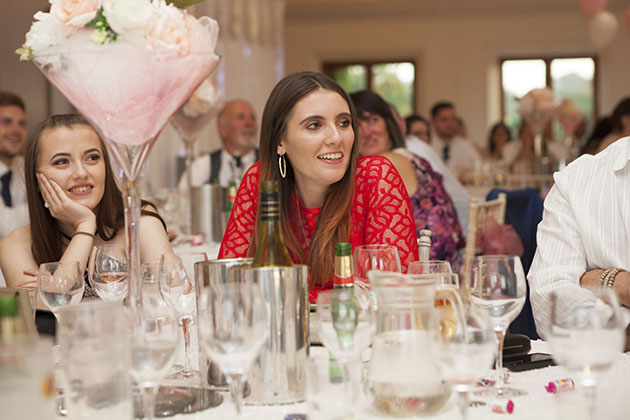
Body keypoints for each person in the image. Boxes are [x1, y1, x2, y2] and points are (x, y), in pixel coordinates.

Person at [218, 72, 418, 299]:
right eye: (314, 125)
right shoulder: (262, 181)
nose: (336, 137)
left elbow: (394, 295)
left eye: (344, 123)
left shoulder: (375, 177)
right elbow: (229, 286)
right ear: (280, 141)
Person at [0, 114, 172, 291]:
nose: (81, 173)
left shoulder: (136, 220)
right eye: (62, 162)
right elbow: (41, 313)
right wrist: (85, 227)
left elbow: (175, 292)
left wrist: (51, 287)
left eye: (92, 158)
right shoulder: (17, 245)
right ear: (36, 180)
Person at [528, 136, 630, 339]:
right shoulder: (577, 181)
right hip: (607, 369)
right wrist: (617, 282)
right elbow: (548, 302)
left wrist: (600, 281)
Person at [350, 90, 465, 262]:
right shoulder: (410, 156)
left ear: (388, 124)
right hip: (450, 265)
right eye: (356, 124)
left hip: (427, 273)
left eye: (373, 120)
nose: (366, 132)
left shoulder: (382, 165)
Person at [404, 114, 470, 231]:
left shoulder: (425, 153)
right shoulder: (412, 151)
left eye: (426, 134)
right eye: (418, 134)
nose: (423, 139)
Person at [178, 99, 258, 188]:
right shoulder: (203, 166)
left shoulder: (270, 163)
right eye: (240, 117)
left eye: (253, 118)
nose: (249, 123)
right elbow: (183, 199)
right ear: (222, 128)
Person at [0, 92, 29, 239]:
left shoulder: (24, 166)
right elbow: (7, 229)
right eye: (6, 122)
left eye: (21, 124)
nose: (16, 131)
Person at [430, 101, 481, 181]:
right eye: (444, 120)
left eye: (453, 119)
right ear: (433, 122)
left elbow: (479, 168)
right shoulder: (428, 146)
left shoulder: (465, 145)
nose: (450, 123)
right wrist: (457, 176)